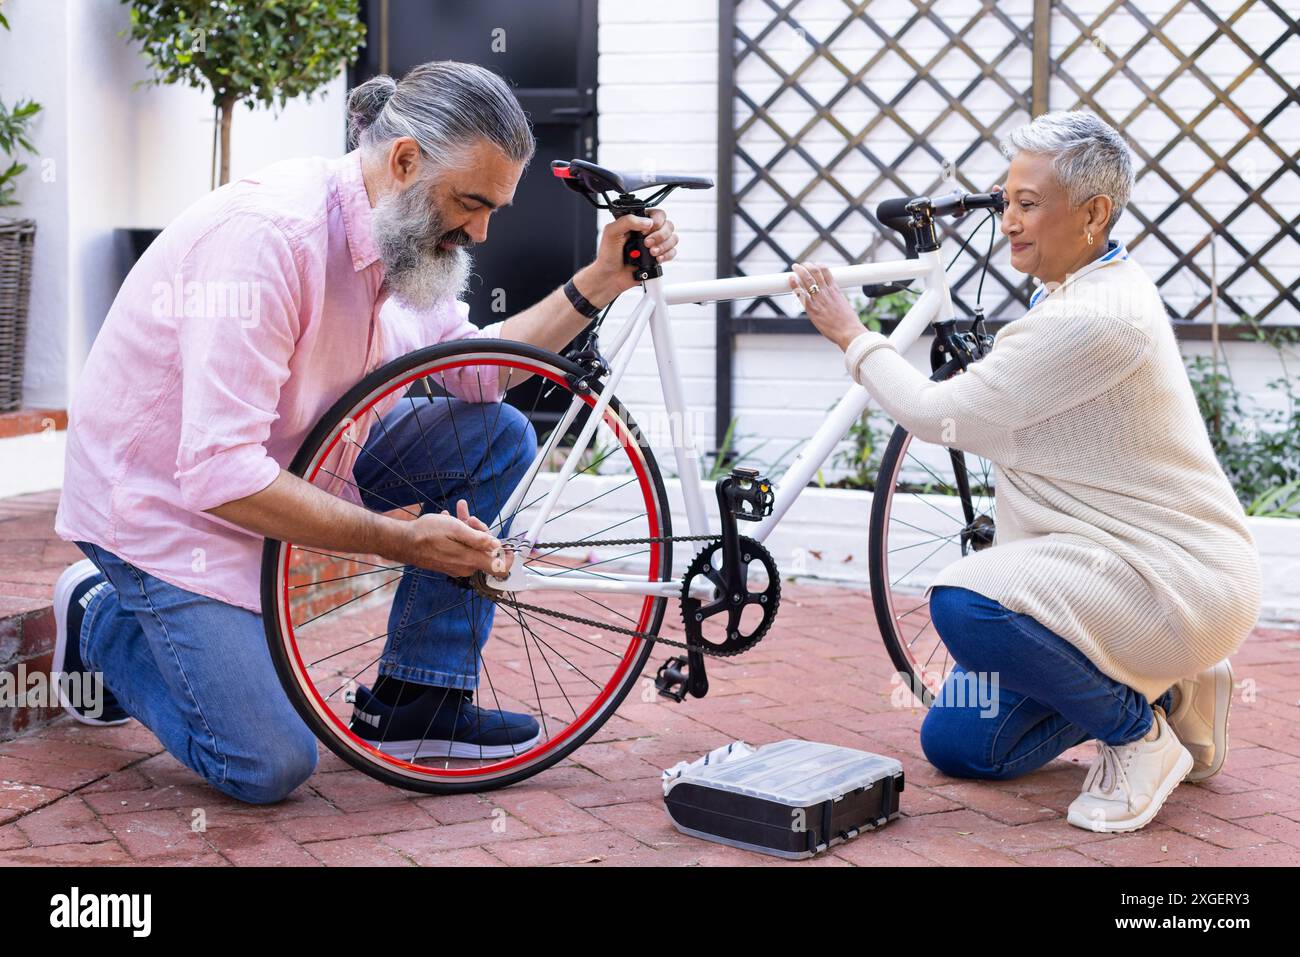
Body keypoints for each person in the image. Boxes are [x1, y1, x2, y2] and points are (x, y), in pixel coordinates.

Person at [51, 61, 679, 805]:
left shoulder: (404, 235)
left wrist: (603, 278)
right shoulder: (270, 239)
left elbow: (477, 373)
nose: (480, 230)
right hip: (166, 506)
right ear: (406, 160)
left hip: (297, 458)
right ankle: (99, 615)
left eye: (494, 210)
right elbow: (219, 471)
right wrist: (401, 540)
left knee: (498, 433)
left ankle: (418, 701)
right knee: (269, 764)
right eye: (472, 202)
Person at [791, 109, 1260, 833]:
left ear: (1095, 212)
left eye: (1029, 204)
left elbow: (931, 409)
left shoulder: (1091, 318)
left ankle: (1138, 735)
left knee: (966, 602)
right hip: (1110, 569)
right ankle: (1173, 691)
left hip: (1172, 578)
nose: (1009, 220)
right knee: (959, 741)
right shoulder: (1077, 288)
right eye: (1007, 200)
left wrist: (850, 333)